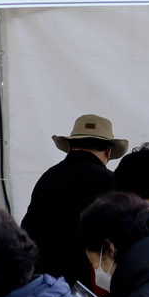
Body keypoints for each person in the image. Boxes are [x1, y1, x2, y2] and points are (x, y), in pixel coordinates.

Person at [21, 113, 124, 285]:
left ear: (69, 147)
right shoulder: (112, 183)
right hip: (90, 290)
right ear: (108, 151)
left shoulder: (48, 178)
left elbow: (28, 231)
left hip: (44, 282)